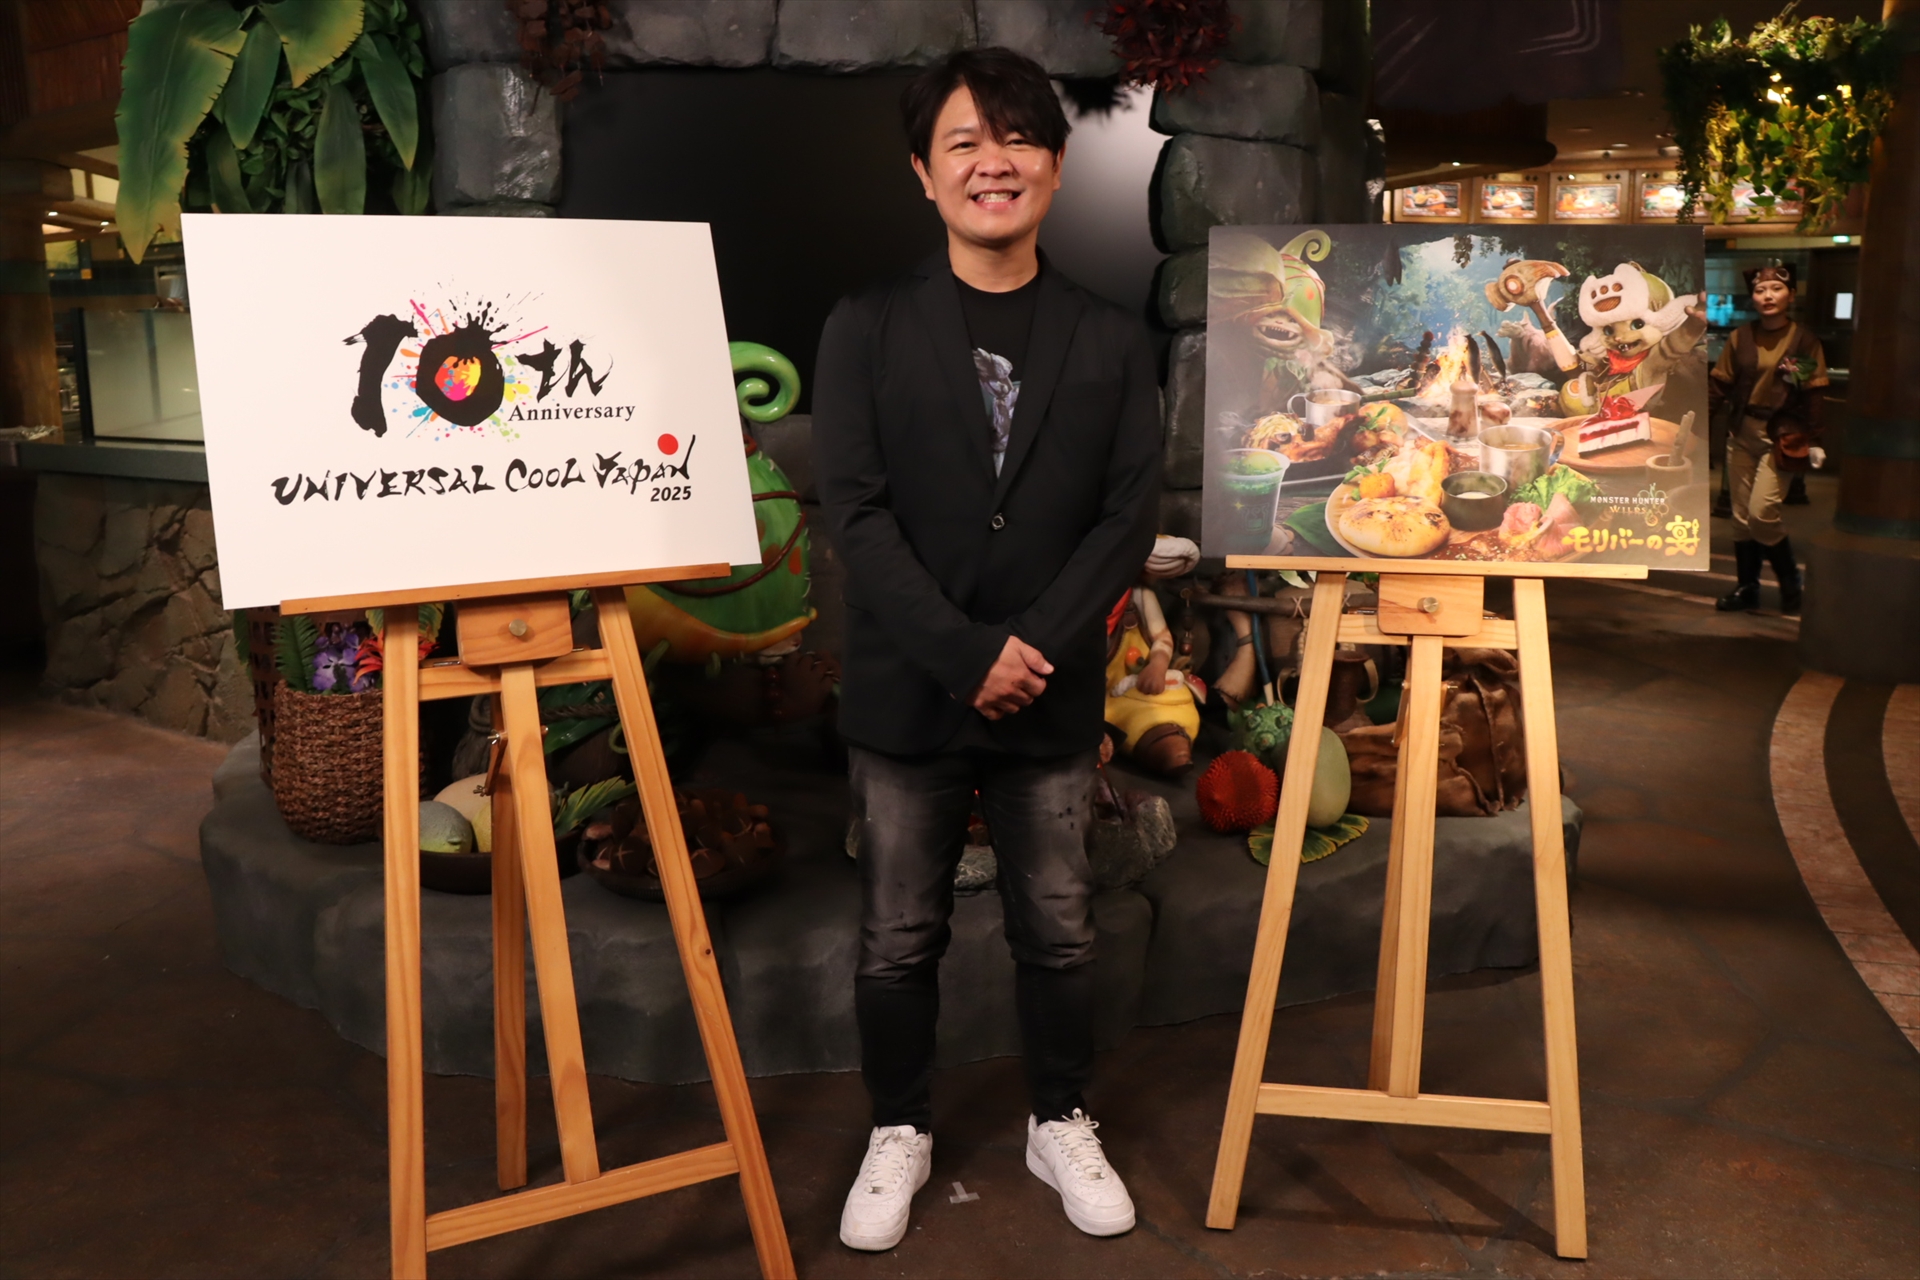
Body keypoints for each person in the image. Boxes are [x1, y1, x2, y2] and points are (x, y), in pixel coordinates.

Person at [812, 47, 1161, 1252]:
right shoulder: (865, 325)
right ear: (924, 172)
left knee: (1059, 925)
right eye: (963, 141)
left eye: (1016, 138)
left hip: (1050, 693)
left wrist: (1033, 647)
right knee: (896, 935)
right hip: (909, 690)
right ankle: (898, 1125)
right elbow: (855, 511)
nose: (991, 161)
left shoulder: (1109, 336)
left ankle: (1058, 1116)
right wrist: (965, 652)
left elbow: (1127, 515)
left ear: (1055, 166)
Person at [1708, 262, 1828, 613]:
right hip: (1742, 432)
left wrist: (1816, 439)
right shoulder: (1740, 337)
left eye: (1776, 289)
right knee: (1741, 519)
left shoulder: (1804, 341)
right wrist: (1696, 427)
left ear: (1791, 295)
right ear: (1753, 298)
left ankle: (1791, 582)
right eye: (1760, 291)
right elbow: (1719, 385)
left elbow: (1814, 392)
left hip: (1782, 436)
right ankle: (1747, 588)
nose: (1767, 296)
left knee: (1762, 514)